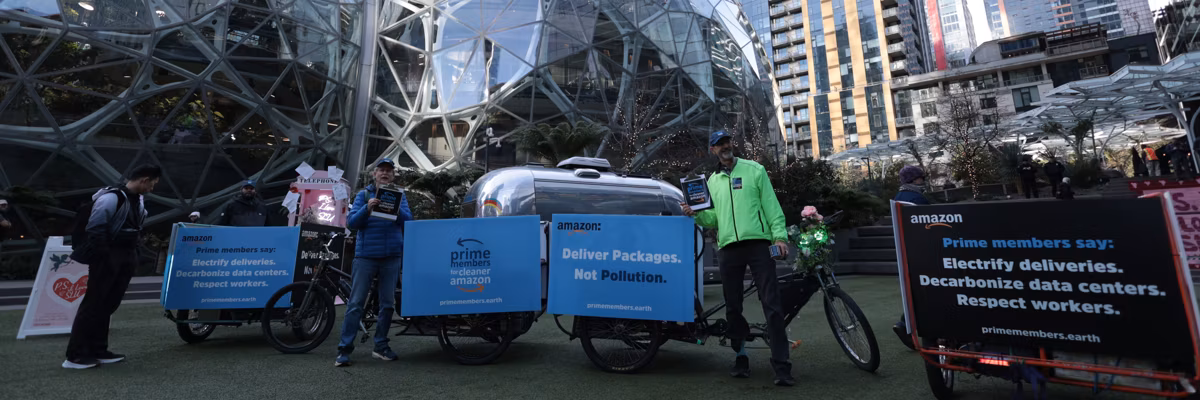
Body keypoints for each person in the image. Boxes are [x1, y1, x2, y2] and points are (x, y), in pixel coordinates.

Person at [680, 130, 795, 387]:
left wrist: (779, 237)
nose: (724, 146)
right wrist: (694, 214)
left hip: (759, 244)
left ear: (732, 144)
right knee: (733, 306)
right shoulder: (712, 181)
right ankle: (740, 356)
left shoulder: (755, 170)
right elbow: (713, 218)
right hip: (729, 247)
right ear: (713, 150)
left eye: (727, 142)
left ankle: (782, 365)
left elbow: (771, 206)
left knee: (772, 304)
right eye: (719, 144)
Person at [63, 164, 160, 369]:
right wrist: (105, 256)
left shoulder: (138, 200)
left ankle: (98, 349)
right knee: (93, 303)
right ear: (144, 180)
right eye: (152, 184)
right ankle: (75, 355)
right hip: (107, 256)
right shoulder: (111, 198)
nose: (152, 188)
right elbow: (95, 229)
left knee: (108, 304)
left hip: (125, 255)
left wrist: (133, 254)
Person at [336, 158, 412, 367]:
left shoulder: (400, 195)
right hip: (366, 256)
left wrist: (396, 210)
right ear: (374, 174)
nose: (385, 173)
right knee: (355, 304)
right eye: (381, 170)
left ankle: (381, 346)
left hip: (391, 256)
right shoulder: (363, 195)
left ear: (393, 175)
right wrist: (366, 209)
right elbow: (352, 223)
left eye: (389, 171)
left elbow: (409, 221)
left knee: (387, 304)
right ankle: (344, 349)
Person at [890, 166, 927, 351]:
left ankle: (905, 324)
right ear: (914, 179)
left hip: (906, 248)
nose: (923, 180)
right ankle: (906, 324)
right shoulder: (917, 198)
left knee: (917, 290)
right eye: (921, 178)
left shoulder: (898, 197)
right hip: (923, 248)